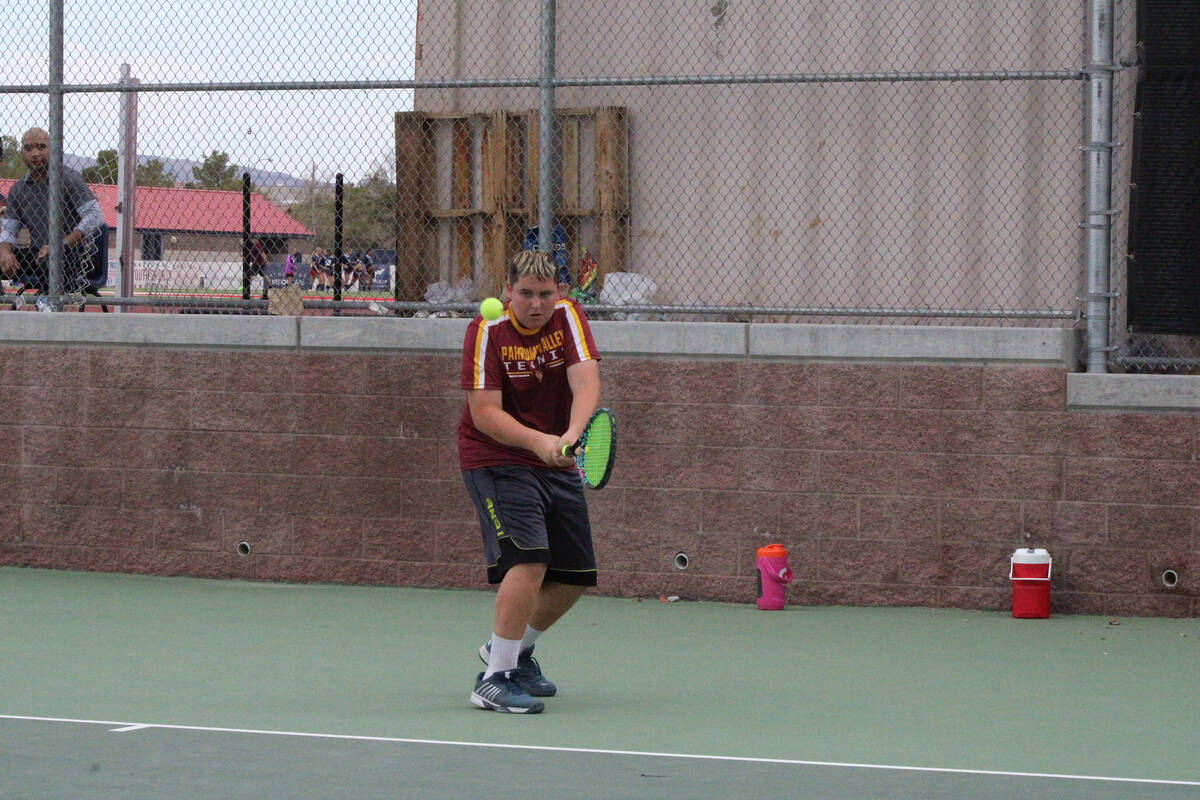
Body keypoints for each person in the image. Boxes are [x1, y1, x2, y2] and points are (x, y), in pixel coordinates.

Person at [458, 249, 602, 714]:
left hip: (553, 457)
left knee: (574, 575)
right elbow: (485, 415)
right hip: (496, 457)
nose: (536, 304)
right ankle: (493, 680)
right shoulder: (486, 331)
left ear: (558, 293)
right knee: (530, 559)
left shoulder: (569, 317)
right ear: (508, 291)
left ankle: (514, 653)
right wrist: (541, 442)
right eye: (525, 294)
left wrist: (572, 435)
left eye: (544, 294)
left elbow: (586, 383)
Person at [0, 127, 104, 297]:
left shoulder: (69, 179)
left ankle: (49, 311)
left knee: (50, 260)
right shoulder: (18, 190)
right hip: (37, 254)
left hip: (75, 255)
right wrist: (4, 252)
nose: (35, 153)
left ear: (52, 149)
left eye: (41, 147)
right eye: (28, 148)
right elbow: (9, 230)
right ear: (21, 153)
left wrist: (60, 245)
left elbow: (95, 216)